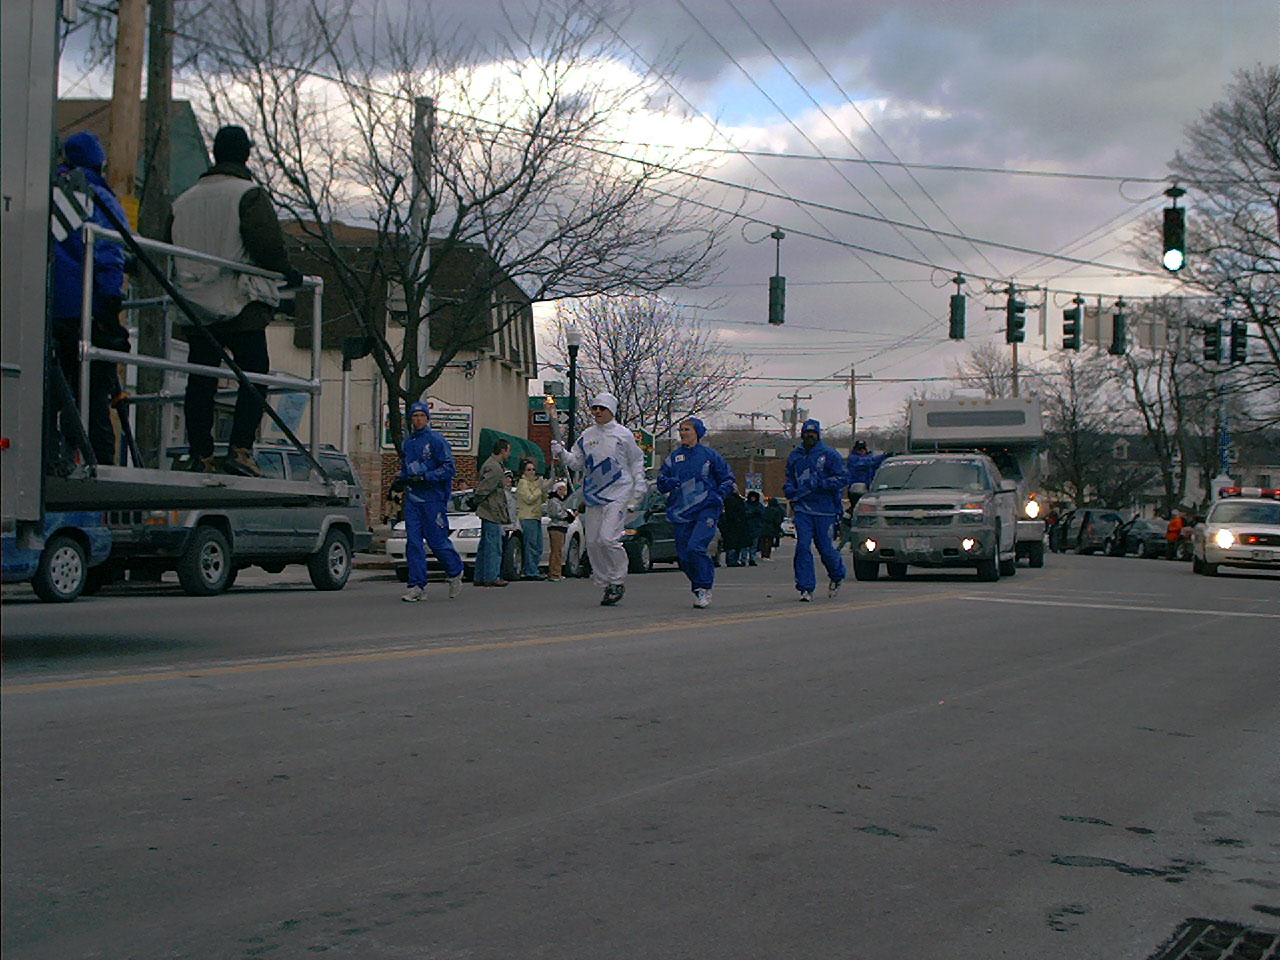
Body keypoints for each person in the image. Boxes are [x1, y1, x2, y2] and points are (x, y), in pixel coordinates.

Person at [169, 125, 302, 476]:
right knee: (254, 372)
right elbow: (268, 247)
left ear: (214, 154)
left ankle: (201, 453)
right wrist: (286, 270)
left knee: (200, 379)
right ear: (245, 154)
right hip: (238, 300)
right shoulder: (248, 195)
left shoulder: (183, 200)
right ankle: (240, 449)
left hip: (195, 304)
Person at [51, 131, 131, 466]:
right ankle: (100, 464)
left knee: (53, 388)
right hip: (86, 309)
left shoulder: (48, 193)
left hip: (49, 307)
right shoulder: (98, 197)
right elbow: (109, 253)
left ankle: (55, 455)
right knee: (93, 392)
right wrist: (111, 304)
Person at [551, 392, 646, 606]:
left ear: (611, 410)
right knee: (593, 543)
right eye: (594, 408)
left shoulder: (623, 435)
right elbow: (576, 463)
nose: (597, 412)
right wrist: (562, 453)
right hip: (594, 494)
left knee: (608, 538)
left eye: (602, 408)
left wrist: (638, 487)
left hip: (618, 492)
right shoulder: (587, 435)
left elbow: (636, 460)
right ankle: (605, 582)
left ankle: (618, 580)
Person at [656, 417, 734, 608]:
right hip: (681, 512)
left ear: (697, 432)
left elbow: (728, 480)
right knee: (684, 557)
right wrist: (668, 483)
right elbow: (661, 482)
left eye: (687, 429)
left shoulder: (710, 456)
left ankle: (704, 588)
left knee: (696, 548)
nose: (683, 433)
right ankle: (698, 585)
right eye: (681, 430)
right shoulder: (673, 458)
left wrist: (718, 496)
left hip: (706, 510)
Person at [390, 402, 464, 602]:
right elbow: (407, 468)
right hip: (413, 499)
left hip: (434, 499)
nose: (418, 419)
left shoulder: (437, 441)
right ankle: (417, 585)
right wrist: (401, 480)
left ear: (428, 418)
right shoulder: (408, 443)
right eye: (415, 416)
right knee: (413, 542)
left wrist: (426, 477)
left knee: (437, 542)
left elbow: (449, 468)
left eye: (422, 415)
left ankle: (455, 570)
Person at [783, 419, 847, 601]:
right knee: (803, 546)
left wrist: (822, 484)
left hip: (825, 510)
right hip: (803, 508)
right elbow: (789, 477)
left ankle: (837, 575)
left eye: (813, 433)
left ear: (818, 434)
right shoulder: (795, 455)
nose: (809, 436)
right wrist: (789, 488)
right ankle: (805, 587)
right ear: (802, 434)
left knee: (825, 548)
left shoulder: (829, 454)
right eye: (806, 433)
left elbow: (843, 478)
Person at [473, 438, 511, 586]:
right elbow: (485, 488)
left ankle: (480, 576)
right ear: (502, 451)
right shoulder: (495, 467)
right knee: (493, 545)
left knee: (485, 545)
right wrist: (477, 499)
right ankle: (491, 576)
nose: (509, 454)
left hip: (489, 509)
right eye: (508, 451)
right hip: (492, 510)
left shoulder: (491, 464)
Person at [515, 458, 548, 581]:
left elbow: (542, 499)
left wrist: (545, 489)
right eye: (529, 470)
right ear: (524, 471)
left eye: (533, 470)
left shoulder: (534, 483)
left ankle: (534, 568)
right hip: (527, 517)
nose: (532, 472)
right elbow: (529, 498)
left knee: (538, 545)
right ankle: (530, 570)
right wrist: (539, 489)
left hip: (536, 517)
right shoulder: (523, 483)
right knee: (531, 545)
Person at [845, 440, 889, 508]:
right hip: (856, 490)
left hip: (870, 490)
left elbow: (877, 465)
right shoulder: (853, 459)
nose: (862, 450)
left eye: (863, 448)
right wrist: (884, 456)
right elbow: (867, 462)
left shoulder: (870, 458)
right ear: (855, 449)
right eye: (859, 449)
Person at [545, 481, 575, 581]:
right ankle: (554, 573)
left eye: (564, 489)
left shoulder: (561, 501)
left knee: (559, 551)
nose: (563, 491)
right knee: (556, 551)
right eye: (560, 489)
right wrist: (567, 516)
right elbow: (555, 513)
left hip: (561, 527)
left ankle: (558, 572)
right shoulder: (553, 500)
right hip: (555, 527)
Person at [720, 487, 749, 566]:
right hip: (735, 525)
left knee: (734, 545)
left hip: (734, 525)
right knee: (734, 545)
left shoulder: (733, 499)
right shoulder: (733, 500)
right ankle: (732, 560)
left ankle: (733, 560)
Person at [743, 491, 765, 566]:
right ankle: (743, 559)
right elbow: (743, 514)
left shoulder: (759, 506)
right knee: (745, 545)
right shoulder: (745, 504)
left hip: (756, 527)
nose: (753, 499)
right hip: (747, 527)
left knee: (754, 545)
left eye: (754, 497)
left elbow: (763, 515)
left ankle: (752, 559)